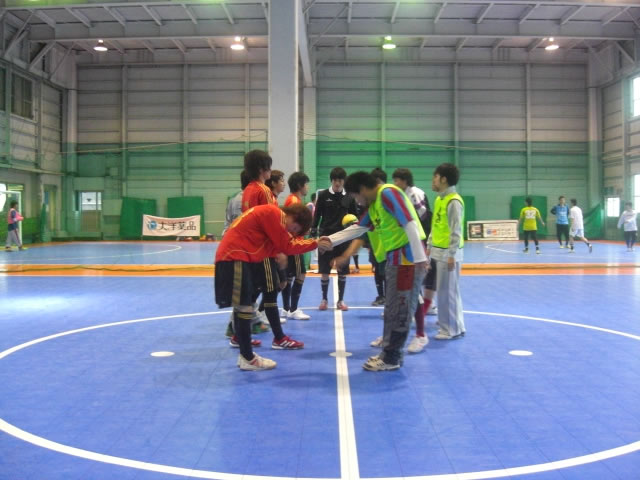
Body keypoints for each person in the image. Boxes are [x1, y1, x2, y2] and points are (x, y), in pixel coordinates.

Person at [321, 171, 428, 371]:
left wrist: (420, 258)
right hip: (395, 259)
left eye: (356, 196)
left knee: (400, 310)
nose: (357, 201)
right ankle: (389, 354)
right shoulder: (375, 204)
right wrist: (330, 240)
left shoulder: (388, 193)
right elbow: (359, 228)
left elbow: (409, 222)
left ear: (362, 190)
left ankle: (392, 357)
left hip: (407, 259)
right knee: (392, 309)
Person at [215, 203, 327, 370]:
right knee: (244, 307)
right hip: (235, 257)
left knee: (243, 306)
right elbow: (286, 246)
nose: (290, 232)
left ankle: (245, 354)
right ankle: (248, 358)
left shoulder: (271, 215)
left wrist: (279, 258)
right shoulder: (274, 214)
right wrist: (315, 243)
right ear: (292, 216)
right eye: (294, 228)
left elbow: (274, 246)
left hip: (236, 256)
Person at [392, 167, 434, 352]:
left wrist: (422, 247)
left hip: (417, 246)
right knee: (409, 291)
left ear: (405, 180)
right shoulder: (401, 195)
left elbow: (424, 218)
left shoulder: (414, 194)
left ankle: (420, 334)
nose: (395, 184)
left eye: (397, 180)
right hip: (407, 247)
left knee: (415, 290)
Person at [427, 163, 466, 340]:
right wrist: (429, 245)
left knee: (447, 293)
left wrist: (451, 255)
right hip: (438, 252)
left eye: (435, 177)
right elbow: (436, 226)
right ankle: (457, 325)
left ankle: (450, 329)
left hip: (448, 254)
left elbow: (455, 230)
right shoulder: (439, 199)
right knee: (446, 291)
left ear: (443, 179)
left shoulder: (454, 201)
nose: (433, 180)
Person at [311, 167, 358, 311]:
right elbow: (317, 215)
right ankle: (324, 299)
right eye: (335, 180)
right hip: (326, 238)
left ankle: (340, 301)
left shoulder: (349, 197)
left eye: (340, 180)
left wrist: (354, 233)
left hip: (344, 239)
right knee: (325, 270)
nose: (337, 183)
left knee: (342, 271)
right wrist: (313, 231)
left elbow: (355, 218)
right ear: (331, 180)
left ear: (344, 181)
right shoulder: (323, 195)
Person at [281, 172, 312, 320]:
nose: (308, 187)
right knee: (300, 274)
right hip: (294, 243)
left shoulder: (291, 199)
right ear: (300, 185)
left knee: (289, 277)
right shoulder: (294, 201)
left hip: (291, 242)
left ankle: (286, 308)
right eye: (306, 184)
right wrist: (304, 230)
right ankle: (292, 309)